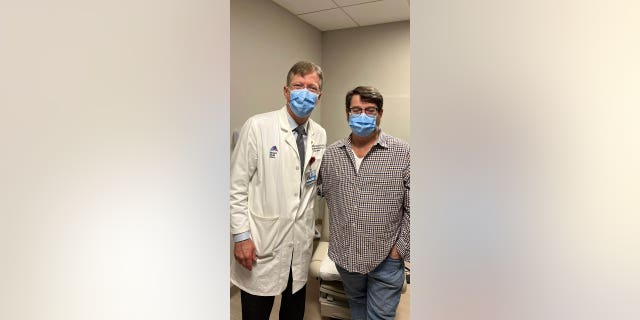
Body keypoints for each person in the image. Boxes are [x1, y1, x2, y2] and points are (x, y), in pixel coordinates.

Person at [230, 61, 327, 320]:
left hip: (300, 240)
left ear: (319, 97)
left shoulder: (320, 134)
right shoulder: (258, 126)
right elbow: (236, 186)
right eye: (298, 86)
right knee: (256, 312)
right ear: (286, 91)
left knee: (293, 311)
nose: (305, 92)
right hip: (263, 240)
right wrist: (241, 237)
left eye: (312, 88)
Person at [318, 86, 410, 320]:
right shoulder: (331, 155)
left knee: (379, 316)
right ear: (347, 113)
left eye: (370, 110)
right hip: (346, 257)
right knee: (357, 307)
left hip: (386, 259)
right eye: (356, 110)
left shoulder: (403, 153)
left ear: (380, 114)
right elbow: (322, 192)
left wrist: (398, 251)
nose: (363, 116)